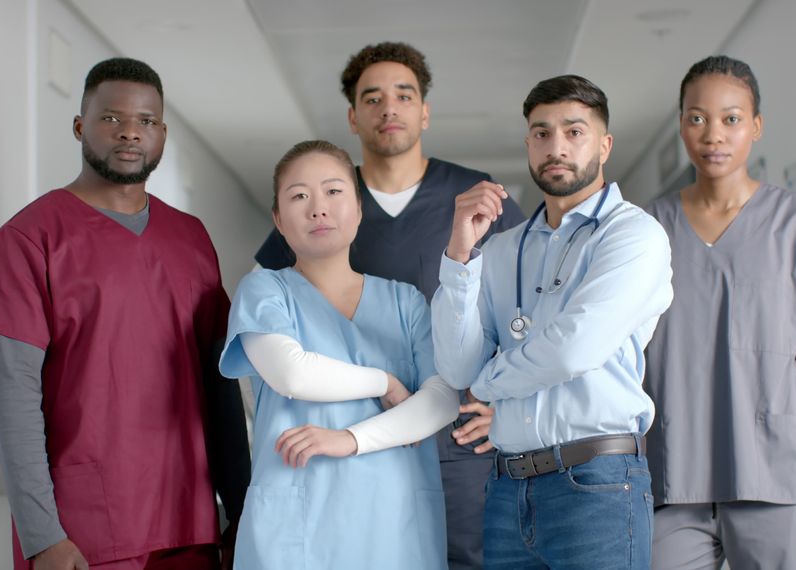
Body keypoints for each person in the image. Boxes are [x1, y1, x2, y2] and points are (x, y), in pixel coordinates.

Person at [0, 58, 250, 570]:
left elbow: (219, 384)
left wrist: (244, 506)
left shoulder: (191, 239)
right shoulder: (30, 240)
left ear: (162, 133)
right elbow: (12, 402)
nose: (130, 133)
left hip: (191, 521)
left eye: (146, 121)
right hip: (85, 532)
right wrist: (42, 536)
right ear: (79, 126)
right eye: (112, 118)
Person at [255, 42, 524, 569]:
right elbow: (274, 307)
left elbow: (526, 314)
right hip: (352, 439)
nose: (389, 108)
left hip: (461, 438)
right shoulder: (326, 202)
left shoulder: (478, 199)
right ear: (353, 117)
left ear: (424, 111)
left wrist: (511, 409)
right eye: (372, 98)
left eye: (404, 95)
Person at [431, 74, 673, 569]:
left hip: (598, 485)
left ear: (604, 145)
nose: (556, 146)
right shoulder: (500, 248)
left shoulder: (633, 235)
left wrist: (488, 384)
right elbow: (457, 368)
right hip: (506, 489)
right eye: (542, 133)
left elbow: (573, 350)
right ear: (527, 144)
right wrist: (460, 253)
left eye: (574, 131)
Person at [644, 55, 796, 570]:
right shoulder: (646, 229)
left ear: (756, 127)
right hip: (670, 478)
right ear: (682, 124)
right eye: (697, 118)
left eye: (731, 119)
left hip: (778, 476)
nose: (713, 135)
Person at [220, 140, 460, 570]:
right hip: (298, 526)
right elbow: (292, 375)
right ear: (277, 218)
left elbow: (441, 399)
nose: (318, 208)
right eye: (298, 196)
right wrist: (384, 382)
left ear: (359, 206)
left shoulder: (405, 303)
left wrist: (349, 440)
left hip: (394, 520)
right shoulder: (264, 291)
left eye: (333, 191)